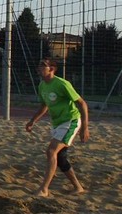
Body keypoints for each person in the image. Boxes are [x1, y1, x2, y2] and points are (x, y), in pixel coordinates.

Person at [25, 58, 89, 197]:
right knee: (60, 158)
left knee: (51, 151)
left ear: (52, 69)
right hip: (57, 123)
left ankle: (44, 189)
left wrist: (85, 127)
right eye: (39, 65)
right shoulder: (42, 85)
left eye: (43, 65)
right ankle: (78, 187)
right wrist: (32, 121)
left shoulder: (62, 84)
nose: (40, 68)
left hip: (70, 121)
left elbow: (82, 103)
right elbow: (44, 106)